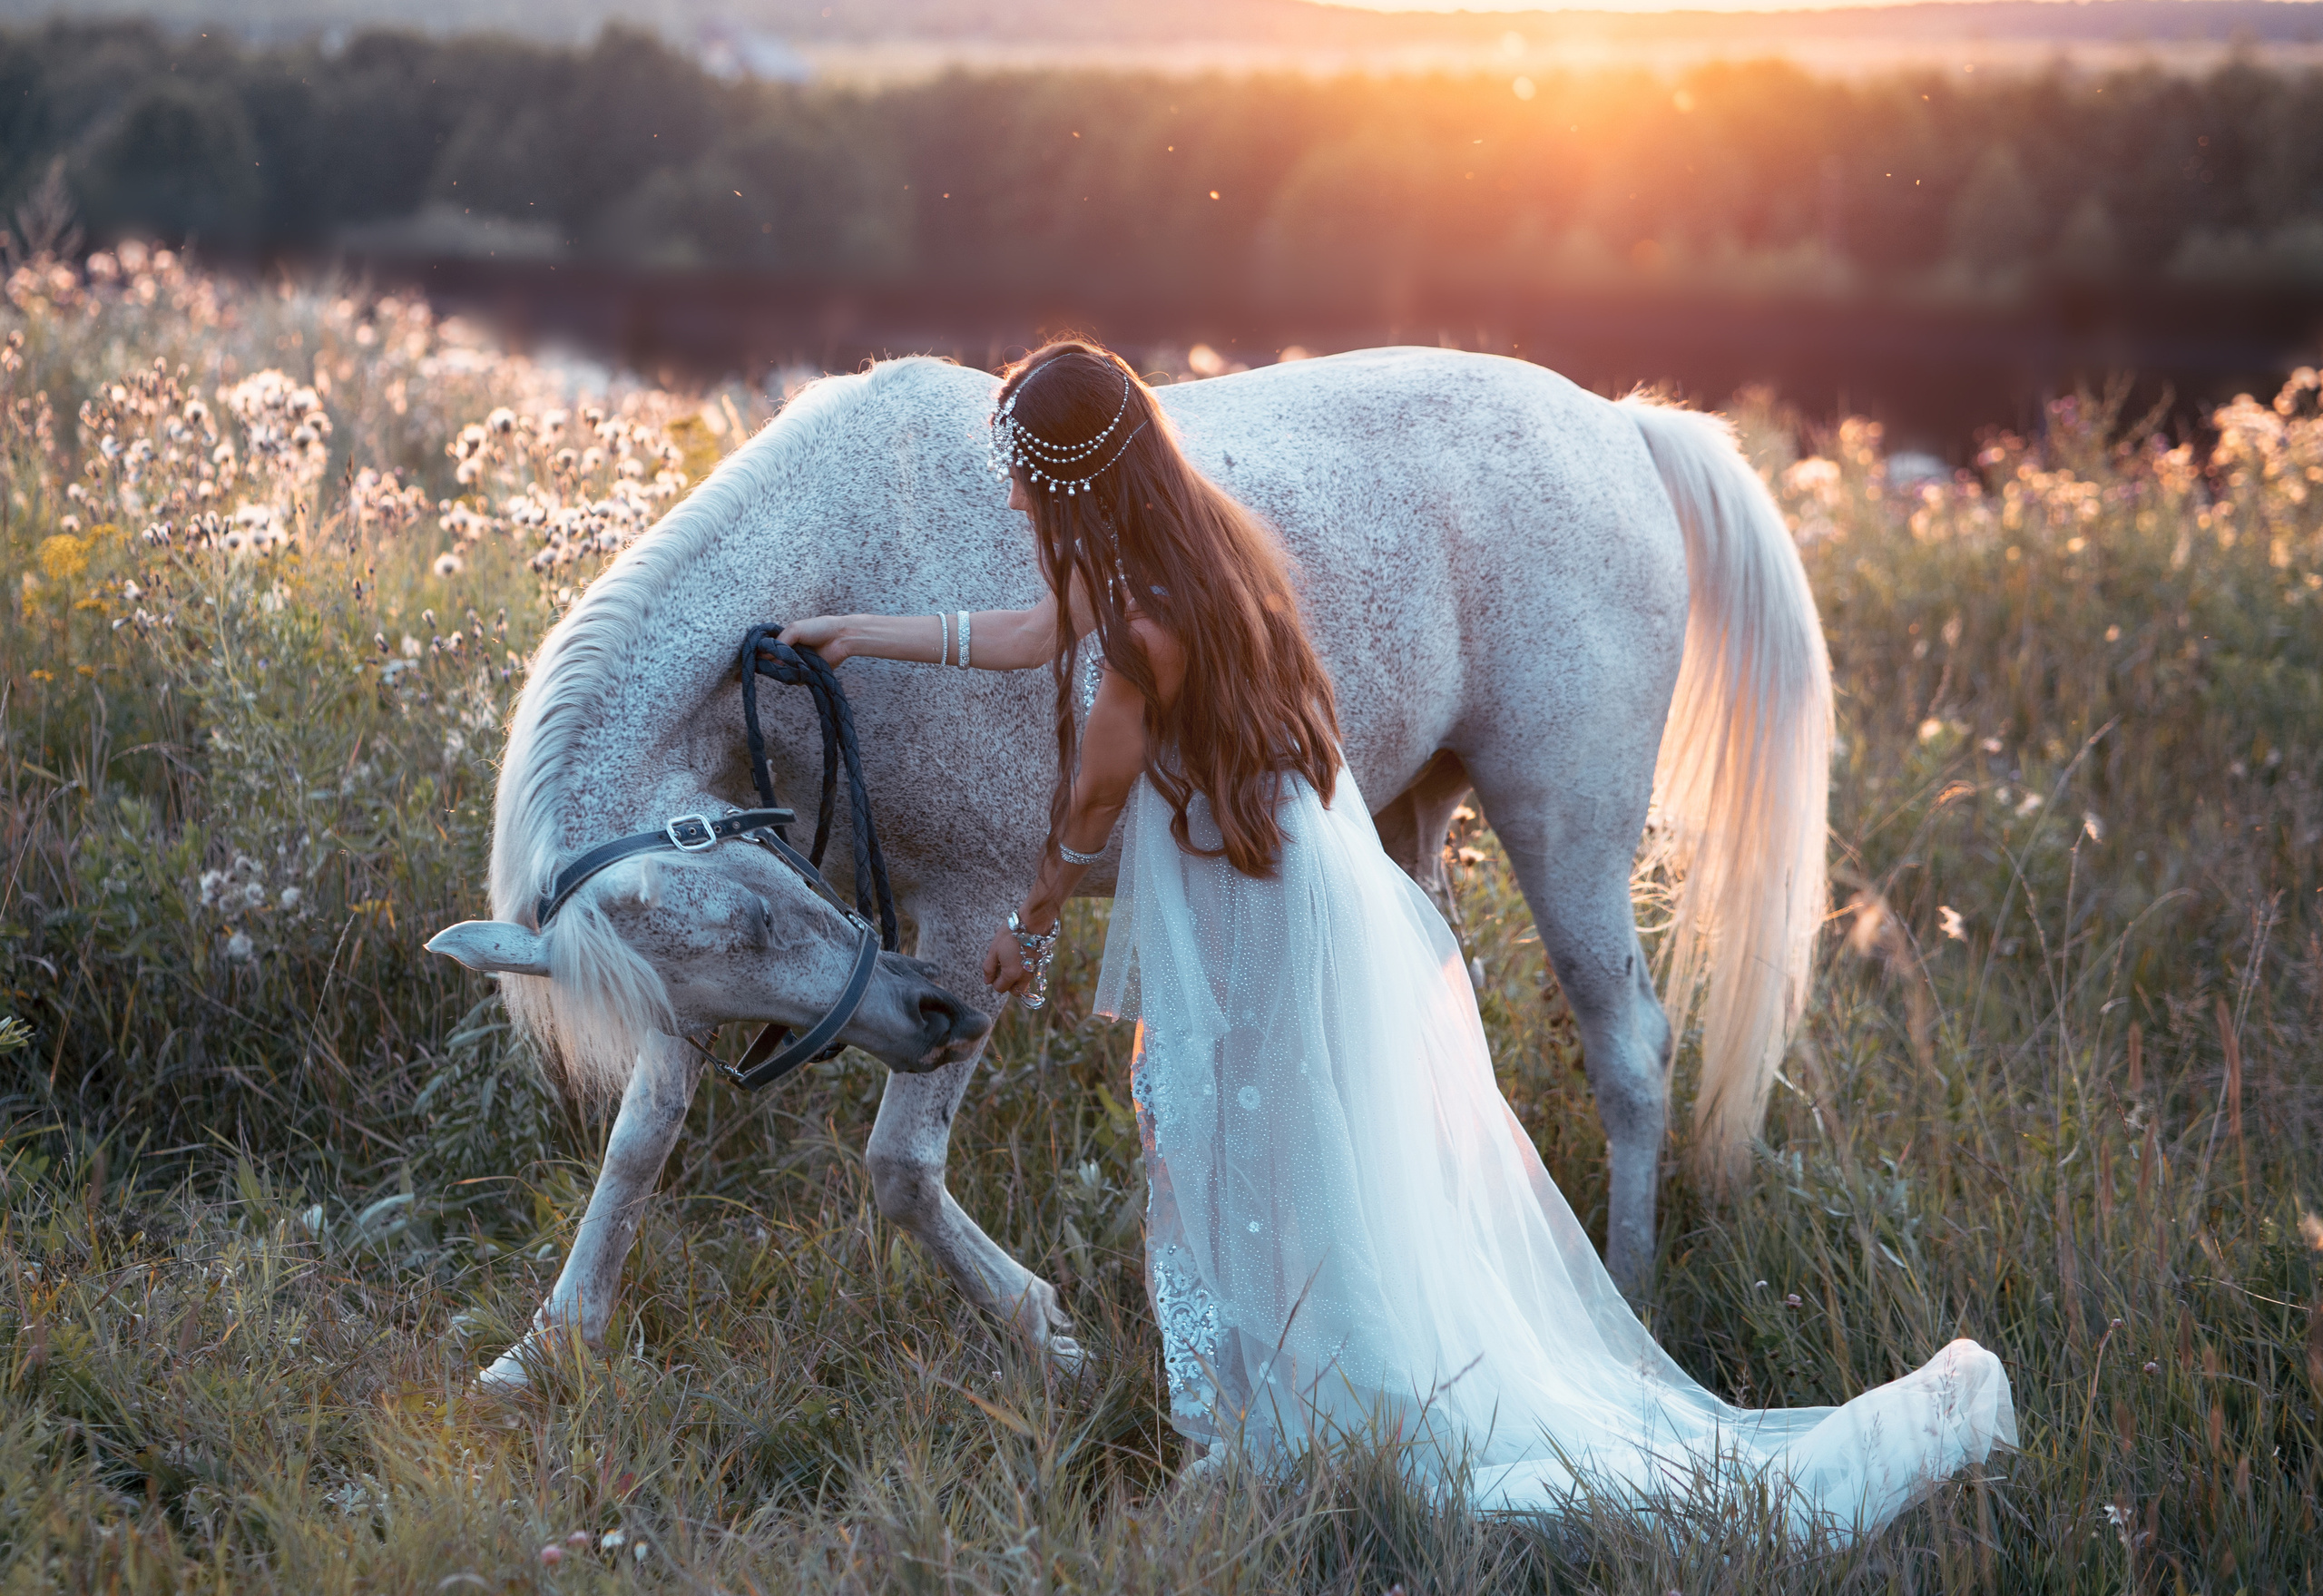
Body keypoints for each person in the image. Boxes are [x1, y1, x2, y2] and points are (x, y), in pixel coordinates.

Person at [778, 339, 2015, 1539]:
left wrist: (1023, 935)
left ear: (1067, 489)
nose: (1006, 495)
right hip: (1287, 861)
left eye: (1021, 480)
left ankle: (1272, 1433)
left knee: (1220, 1127)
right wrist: (867, 633)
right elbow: (1033, 631)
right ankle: (1287, 1392)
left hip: (1237, 895)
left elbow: (1089, 807)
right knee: (1245, 1120)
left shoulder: (1145, 636)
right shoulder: (1200, 544)